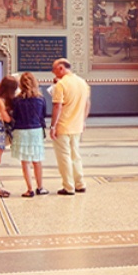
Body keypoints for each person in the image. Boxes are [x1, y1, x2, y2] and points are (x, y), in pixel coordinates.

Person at [48, 57, 91, 195]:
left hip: (63, 125)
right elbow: (87, 103)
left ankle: (68, 186)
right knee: (75, 155)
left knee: (64, 157)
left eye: (54, 69)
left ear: (61, 68)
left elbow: (57, 106)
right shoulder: (82, 82)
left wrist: (53, 126)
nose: (52, 72)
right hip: (77, 125)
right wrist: (83, 120)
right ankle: (80, 183)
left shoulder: (61, 84)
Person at [7, 72, 48, 196]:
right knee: (37, 160)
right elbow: (43, 115)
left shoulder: (16, 100)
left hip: (21, 130)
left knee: (25, 162)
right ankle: (40, 187)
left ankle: (29, 189)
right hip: (36, 130)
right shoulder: (41, 99)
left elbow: (14, 116)